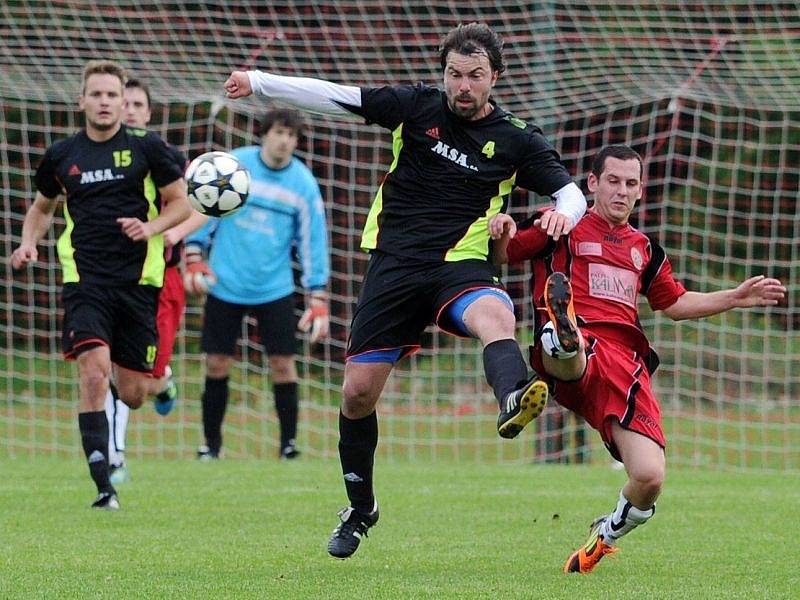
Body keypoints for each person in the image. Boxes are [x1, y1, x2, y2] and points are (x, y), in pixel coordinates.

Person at [224, 22, 587, 559]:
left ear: (496, 78)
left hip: (458, 265)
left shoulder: (516, 139)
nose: (463, 86)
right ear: (444, 74)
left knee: (496, 315)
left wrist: (563, 214)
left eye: (475, 76)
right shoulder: (417, 107)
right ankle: (360, 507)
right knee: (356, 394)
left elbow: (571, 192)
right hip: (394, 265)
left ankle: (513, 395)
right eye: (454, 74)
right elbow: (335, 96)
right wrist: (259, 81)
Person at [491, 144, 786, 573]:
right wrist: (502, 228)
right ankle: (562, 333)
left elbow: (676, 303)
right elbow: (506, 253)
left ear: (641, 190)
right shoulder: (562, 224)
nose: (621, 191)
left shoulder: (644, 249)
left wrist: (736, 298)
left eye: (631, 184)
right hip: (582, 351)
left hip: (627, 366)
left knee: (649, 478)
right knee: (571, 350)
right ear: (592, 184)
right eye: (612, 181)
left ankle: (604, 537)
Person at [10, 60, 192, 509]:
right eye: (97, 94)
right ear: (82, 101)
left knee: (131, 392)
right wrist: (28, 243)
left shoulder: (147, 149)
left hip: (139, 284)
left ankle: (159, 381)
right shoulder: (62, 156)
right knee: (92, 374)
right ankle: (103, 485)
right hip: (85, 281)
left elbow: (181, 204)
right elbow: (41, 208)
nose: (106, 102)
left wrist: (151, 229)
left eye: (113, 95)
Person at [184, 108, 330, 462]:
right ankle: (211, 447)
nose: (285, 141)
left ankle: (288, 446)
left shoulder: (303, 184)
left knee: (283, 365)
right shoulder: (235, 167)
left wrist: (318, 295)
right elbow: (204, 208)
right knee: (217, 363)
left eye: (292, 136)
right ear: (264, 134)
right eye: (280, 132)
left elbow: (313, 241)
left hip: (274, 288)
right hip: (224, 282)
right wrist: (193, 254)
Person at [103, 77, 199, 485]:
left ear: (148, 112)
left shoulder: (166, 157)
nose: (129, 109)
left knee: (142, 382)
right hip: (110, 279)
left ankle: (164, 384)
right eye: (124, 102)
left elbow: (203, 204)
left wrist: (172, 233)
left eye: (137, 103)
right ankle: (114, 456)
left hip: (161, 282)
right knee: (106, 366)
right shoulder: (97, 158)